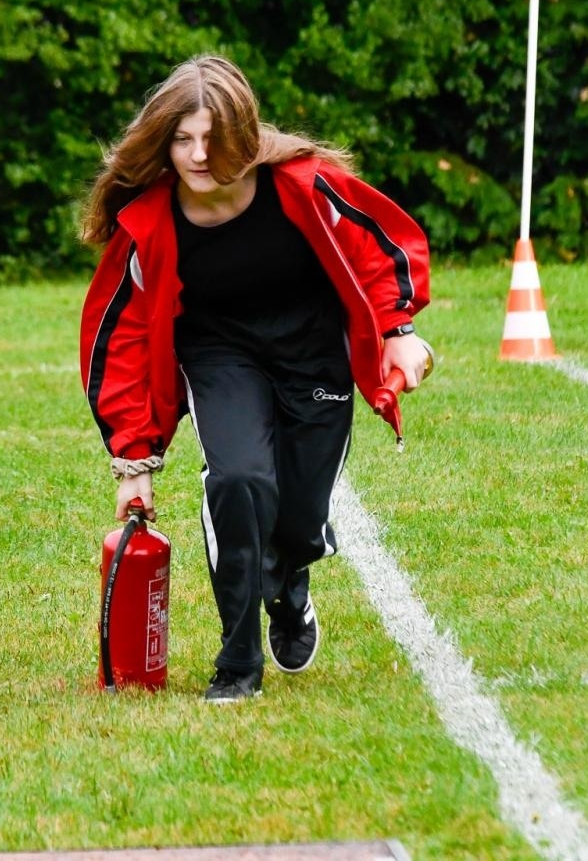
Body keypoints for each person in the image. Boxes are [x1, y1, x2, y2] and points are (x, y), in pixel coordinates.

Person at [79, 55, 432, 704]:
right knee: (239, 481)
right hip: (219, 353)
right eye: (182, 139)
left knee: (299, 516)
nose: (196, 154)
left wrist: (398, 332)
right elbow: (120, 340)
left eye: (211, 139)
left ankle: (290, 579)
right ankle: (237, 660)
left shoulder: (303, 183)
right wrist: (134, 460)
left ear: (243, 132)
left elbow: (378, 246)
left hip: (312, 351)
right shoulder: (151, 222)